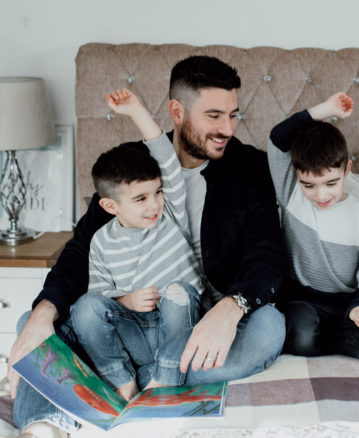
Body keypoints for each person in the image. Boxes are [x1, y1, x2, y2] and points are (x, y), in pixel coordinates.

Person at [9, 56, 287, 436]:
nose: (228, 128)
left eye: (234, 115)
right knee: (33, 324)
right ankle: (45, 425)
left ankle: (108, 372)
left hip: (199, 326)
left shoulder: (249, 167)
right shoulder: (131, 166)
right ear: (176, 111)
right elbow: (80, 251)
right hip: (135, 319)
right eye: (214, 116)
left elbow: (267, 255)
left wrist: (231, 307)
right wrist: (44, 313)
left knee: (270, 325)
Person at [70, 88, 206, 401]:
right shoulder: (102, 242)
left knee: (177, 292)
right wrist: (128, 301)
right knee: (84, 307)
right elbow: (100, 298)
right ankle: (123, 381)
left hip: (179, 322)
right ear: (110, 206)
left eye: (157, 192)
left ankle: (166, 379)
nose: (154, 205)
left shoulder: (169, 213)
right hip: (136, 330)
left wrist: (136, 111)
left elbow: (165, 156)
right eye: (141, 199)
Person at [268, 92, 359, 359]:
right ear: (297, 177)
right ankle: (323, 341)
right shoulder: (291, 193)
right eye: (309, 185)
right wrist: (324, 109)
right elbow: (277, 138)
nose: (321, 196)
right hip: (302, 303)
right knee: (300, 336)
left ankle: (328, 338)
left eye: (331, 183)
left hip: (346, 306)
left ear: (347, 169)